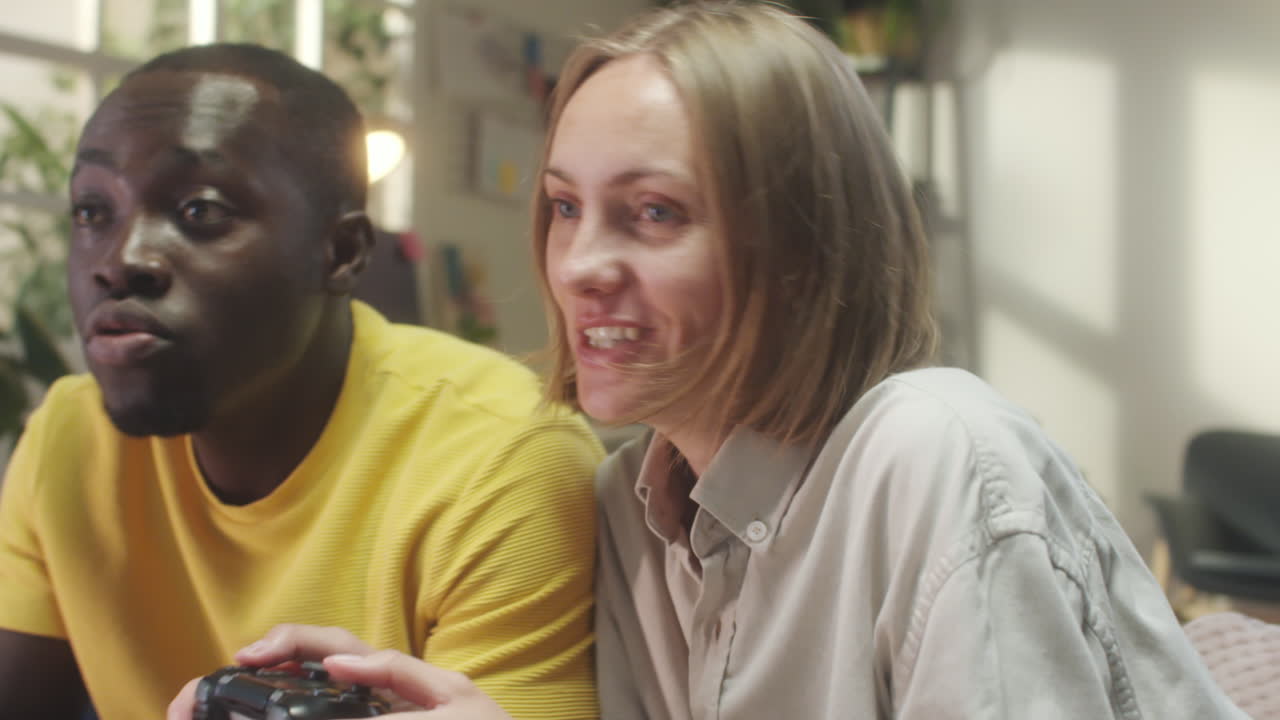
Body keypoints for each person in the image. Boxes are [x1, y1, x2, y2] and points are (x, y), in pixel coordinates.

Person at [169, 3, 1251, 719]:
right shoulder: (636, 511)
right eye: (562, 209)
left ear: (800, 248)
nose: (580, 265)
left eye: (652, 212)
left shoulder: (932, 453)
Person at [0, 43, 602, 720]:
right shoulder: (68, 438)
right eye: (91, 211)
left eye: (199, 210)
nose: (120, 260)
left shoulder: (506, 457)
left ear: (342, 252)